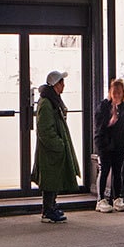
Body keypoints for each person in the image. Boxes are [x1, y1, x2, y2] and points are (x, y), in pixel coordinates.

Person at [34, 70, 79, 223]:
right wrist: (58, 145)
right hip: (50, 151)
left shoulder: (51, 100)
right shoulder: (47, 103)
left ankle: (51, 207)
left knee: (53, 179)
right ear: (55, 85)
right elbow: (45, 129)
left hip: (52, 150)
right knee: (50, 180)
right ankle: (48, 210)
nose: (63, 85)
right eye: (61, 82)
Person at [93, 77, 124, 212]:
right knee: (105, 169)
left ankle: (118, 197)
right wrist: (111, 120)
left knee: (118, 171)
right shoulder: (104, 106)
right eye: (115, 93)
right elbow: (99, 126)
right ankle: (101, 200)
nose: (117, 96)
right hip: (105, 144)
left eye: (119, 93)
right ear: (110, 93)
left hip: (119, 144)